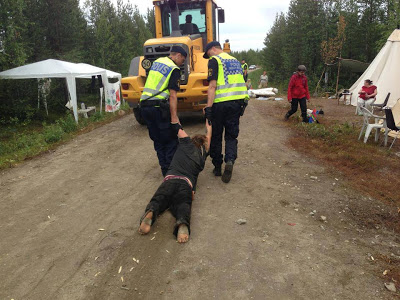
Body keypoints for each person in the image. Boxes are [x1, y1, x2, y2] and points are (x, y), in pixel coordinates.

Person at [138, 120, 212, 243]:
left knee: (159, 198)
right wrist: (209, 122)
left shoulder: (185, 143)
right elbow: (208, 136)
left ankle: (151, 211)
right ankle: (182, 223)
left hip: (169, 179)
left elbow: (176, 125)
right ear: (202, 145)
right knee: (183, 204)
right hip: (186, 183)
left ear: (192, 140)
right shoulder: (202, 156)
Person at [203, 41, 249, 183]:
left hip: (219, 105)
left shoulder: (215, 60)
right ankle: (229, 160)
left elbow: (212, 86)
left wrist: (208, 108)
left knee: (216, 135)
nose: (208, 56)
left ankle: (217, 167)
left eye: (208, 53)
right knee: (231, 135)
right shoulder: (235, 61)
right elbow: (242, 82)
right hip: (236, 104)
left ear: (212, 49)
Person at [140, 45, 187, 176]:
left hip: (144, 106)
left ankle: (164, 171)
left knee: (158, 141)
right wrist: (174, 118)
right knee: (170, 140)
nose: (182, 63)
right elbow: (173, 95)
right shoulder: (174, 69)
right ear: (177, 55)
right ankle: (171, 174)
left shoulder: (158, 62)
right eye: (182, 59)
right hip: (158, 109)